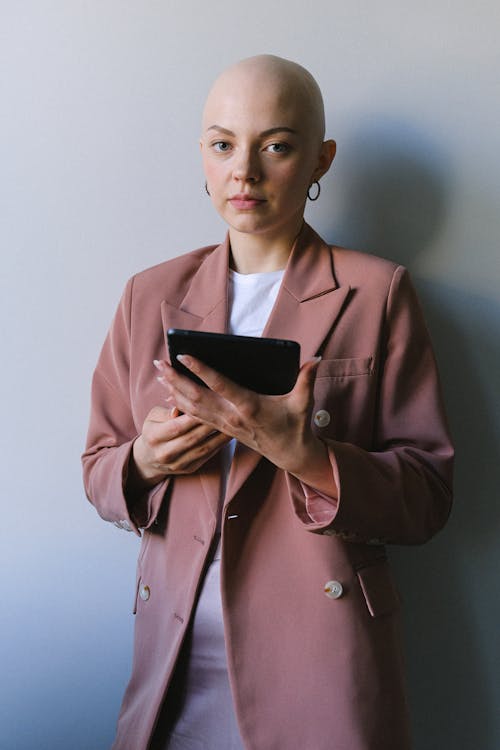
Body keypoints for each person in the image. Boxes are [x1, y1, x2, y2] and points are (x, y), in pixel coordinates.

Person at [82, 54, 454, 750]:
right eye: (224, 144)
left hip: (321, 659)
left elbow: (429, 494)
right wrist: (142, 461)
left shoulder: (376, 292)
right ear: (203, 152)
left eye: (276, 146)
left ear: (320, 159)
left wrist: (307, 457)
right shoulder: (149, 294)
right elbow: (98, 470)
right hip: (173, 655)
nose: (244, 171)